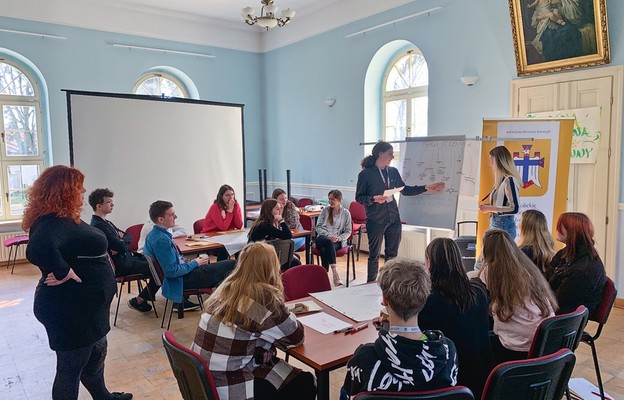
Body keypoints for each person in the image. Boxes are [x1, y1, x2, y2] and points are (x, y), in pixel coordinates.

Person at [23, 165, 132, 400]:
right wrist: (63, 272)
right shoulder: (52, 220)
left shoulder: (61, 218)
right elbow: (38, 249)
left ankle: (103, 396)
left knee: (94, 356)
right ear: (64, 190)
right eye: (78, 187)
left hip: (86, 308)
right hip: (71, 310)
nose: (83, 192)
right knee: (71, 368)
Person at [191, 242, 316, 400]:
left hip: (204, 383)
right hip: (229, 387)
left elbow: (242, 331)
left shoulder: (225, 290)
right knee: (305, 382)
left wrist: (262, 346)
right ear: (271, 268)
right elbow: (296, 338)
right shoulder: (261, 299)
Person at [341, 258, 458, 399]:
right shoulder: (448, 351)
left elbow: (347, 395)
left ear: (385, 299)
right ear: (425, 298)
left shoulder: (364, 358)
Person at [356, 141, 445, 282]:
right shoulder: (366, 174)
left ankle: (389, 282)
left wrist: (427, 187)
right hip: (376, 219)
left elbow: (405, 190)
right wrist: (373, 199)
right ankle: (370, 283)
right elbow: (359, 197)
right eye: (390, 153)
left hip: (393, 218)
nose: (392, 157)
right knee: (374, 255)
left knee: (392, 255)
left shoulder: (392, 171)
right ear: (380, 154)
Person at [418, 238, 493, 399]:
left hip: (450, 382)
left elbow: (419, 339)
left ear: (429, 263)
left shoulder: (430, 302)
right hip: (484, 380)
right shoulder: (478, 291)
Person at [479, 229, 557, 363]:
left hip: (517, 347)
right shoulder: (527, 266)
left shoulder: (490, 271)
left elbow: (483, 303)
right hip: (545, 340)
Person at [143, 200, 235, 309]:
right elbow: (171, 271)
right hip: (180, 281)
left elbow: (173, 263)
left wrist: (190, 262)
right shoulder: (161, 240)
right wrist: (195, 263)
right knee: (232, 265)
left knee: (226, 268)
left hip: (181, 277)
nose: (175, 216)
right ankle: (227, 305)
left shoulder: (154, 234)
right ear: (161, 219)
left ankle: (224, 303)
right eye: (172, 214)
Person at [88, 188, 158, 313]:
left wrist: (122, 241)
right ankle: (140, 300)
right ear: (99, 206)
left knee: (157, 262)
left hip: (127, 257)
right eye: (109, 202)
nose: (112, 204)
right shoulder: (98, 225)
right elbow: (119, 245)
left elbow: (128, 235)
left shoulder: (106, 222)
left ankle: (143, 298)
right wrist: (120, 243)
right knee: (158, 268)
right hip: (123, 264)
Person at [547, 212, 607, 318]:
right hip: (554, 309)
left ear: (572, 232)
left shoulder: (584, 269)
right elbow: (545, 279)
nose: (557, 229)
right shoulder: (564, 254)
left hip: (564, 320)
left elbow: (562, 303)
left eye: (560, 226)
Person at [478, 146, 522, 239]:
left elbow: (515, 208)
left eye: (491, 160)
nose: (490, 164)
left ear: (499, 161)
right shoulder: (501, 180)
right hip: (497, 223)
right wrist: (489, 207)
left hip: (503, 225)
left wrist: (490, 208)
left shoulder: (509, 180)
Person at [248, 199, 300, 270]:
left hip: (265, 252)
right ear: (270, 210)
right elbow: (288, 235)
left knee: (294, 256)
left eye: (280, 208)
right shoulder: (265, 225)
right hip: (259, 256)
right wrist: (282, 221)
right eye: (277, 209)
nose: (280, 211)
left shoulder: (266, 222)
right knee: (296, 262)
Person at [314, 189, 352, 286]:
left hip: (336, 241)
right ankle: (335, 272)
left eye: (333, 199)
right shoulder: (325, 210)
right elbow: (318, 227)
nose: (330, 201)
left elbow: (348, 231)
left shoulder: (346, 213)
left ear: (339, 200)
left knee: (324, 249)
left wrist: (338, 238)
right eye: (329, 199)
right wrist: (328, 235)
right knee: (327, 242)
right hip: (322, 238)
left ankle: (324, 277)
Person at [201, 184, 244, 260]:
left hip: (227, 236)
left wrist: (235, 209)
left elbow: (239, 225)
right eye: (227, 195)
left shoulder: (235, 205)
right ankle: (221, 270)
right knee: (223, 248)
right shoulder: (215, 207)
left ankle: (239, 268)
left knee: (241, 246)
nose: (230, 197)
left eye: (232, 194)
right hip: (212, 236)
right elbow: (223, 227)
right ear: (221, 197)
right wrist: (230, 211)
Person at [517, 209, 556, 273]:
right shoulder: (548, 250)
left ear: (525, 227)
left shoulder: (524, 252)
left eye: (520, 223)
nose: (518, 225)